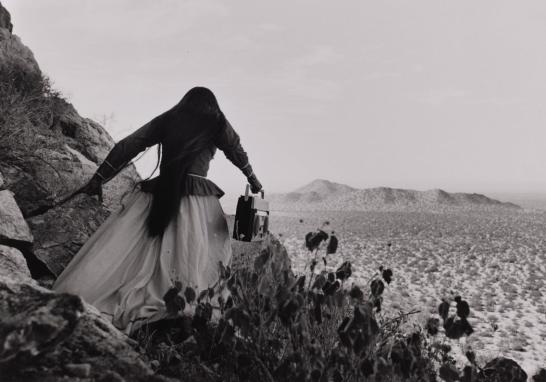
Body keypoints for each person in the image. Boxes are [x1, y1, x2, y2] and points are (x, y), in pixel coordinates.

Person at [52, 87, 262, 335]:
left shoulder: (170, 118)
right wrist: (254, 180)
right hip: (197, 201)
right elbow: (236, 150)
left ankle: (169, 309)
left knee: (138, 252)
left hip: (159, 194)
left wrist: (99, 178)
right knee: (196, 255)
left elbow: (129, 145)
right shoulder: (216, 121)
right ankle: (185, 310)